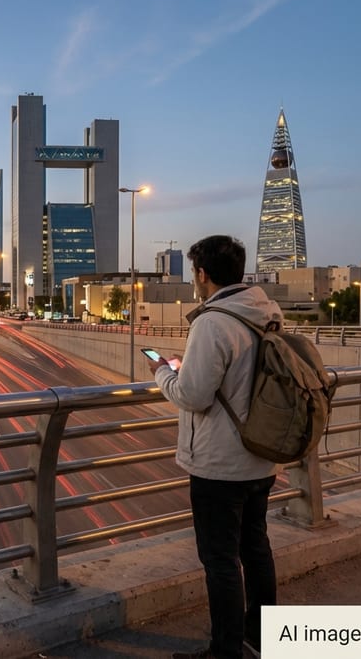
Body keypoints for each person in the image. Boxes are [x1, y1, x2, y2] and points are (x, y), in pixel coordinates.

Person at [146, 235, 282, 659]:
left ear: (203, 275)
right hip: (261, 454)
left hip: (220, 465)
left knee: (221, 560)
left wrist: (161, 373)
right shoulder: (266, 311)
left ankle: (225, 650)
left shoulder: (212, 321)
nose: (195, 280)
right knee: (255, 549)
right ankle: (261, 636)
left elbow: (192, 396)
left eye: (194, 273)